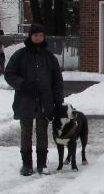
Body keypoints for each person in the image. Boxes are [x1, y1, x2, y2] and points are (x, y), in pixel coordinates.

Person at [5, 23, 64, 176]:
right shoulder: (20, 55)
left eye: (41, 35)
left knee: (42, 131)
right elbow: (9, 74)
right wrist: (22, 84)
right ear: (30, 36)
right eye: (36, 35)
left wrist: (58, 102)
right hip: (25, 100)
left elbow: (57, 81)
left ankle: (42, 163)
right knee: (26, 131)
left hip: (45, 100)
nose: (38, 38)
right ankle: (27, 164)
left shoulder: (49, 58)